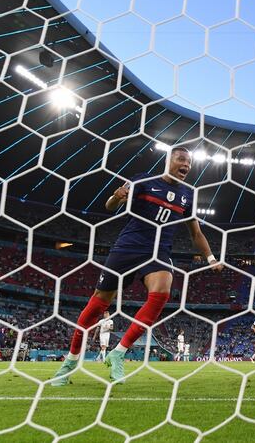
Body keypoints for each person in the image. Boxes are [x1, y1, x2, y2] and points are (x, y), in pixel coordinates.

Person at [51, 147, 222, 386]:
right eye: (181, 159)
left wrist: (211, 258)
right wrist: (117, 196)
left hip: (157, 252)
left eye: (189, 162)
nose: (187, 165)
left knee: (162, 291)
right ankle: (69, 363)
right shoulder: (144, 180)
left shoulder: (188, 195)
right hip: (128, 247)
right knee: (98, 304)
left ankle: (118, 353)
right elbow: (110, 205)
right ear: (168, 161)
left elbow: (196, 233)